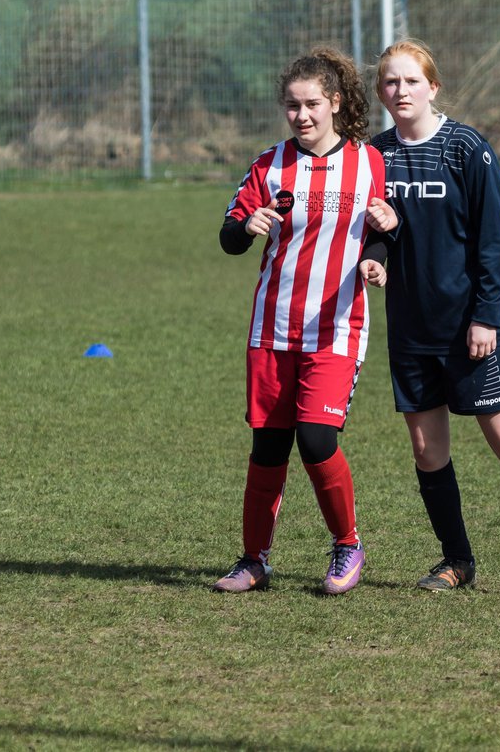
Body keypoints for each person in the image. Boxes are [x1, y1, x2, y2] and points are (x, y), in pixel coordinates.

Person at [363, 39, 500, 598]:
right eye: (391, 82)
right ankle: (456, 561)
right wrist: (377, 254)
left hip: (468, 329)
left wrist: (486, 316)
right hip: (412, 331)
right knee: (427, 451)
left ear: (433, 87)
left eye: (412, 81)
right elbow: (378, 230)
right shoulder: (375, 155)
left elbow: (495, 240)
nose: (401, 91)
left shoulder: (467, 149)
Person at [216, 46, 396, 595]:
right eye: (293, 106)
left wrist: (378, 255)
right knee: (268, 447)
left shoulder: (368, 161)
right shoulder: (268, 165)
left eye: (313, 104)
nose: (303, 116)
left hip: (337, 327)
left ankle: (347, 544)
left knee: (317, 439)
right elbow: (228, 236)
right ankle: (253, 560)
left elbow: (380, 228)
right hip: (272, 328)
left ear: (336, 103)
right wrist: (247, 228)